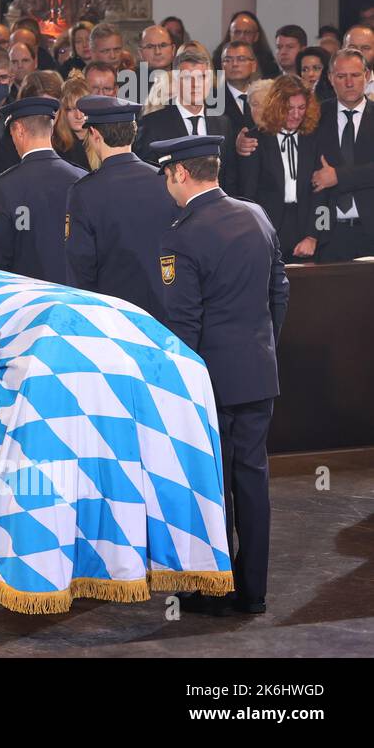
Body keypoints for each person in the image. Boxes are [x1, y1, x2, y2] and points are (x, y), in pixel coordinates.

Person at [154, 133, 288, 616]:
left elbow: (183, 325)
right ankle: (253, 592)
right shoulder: (256, 215)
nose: (166, 184)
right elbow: (280, 291)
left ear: (181, 173)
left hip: (209, 383)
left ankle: (213, 588)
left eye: (167, 174)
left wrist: (178, 390)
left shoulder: (181, 234)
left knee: (211, 486)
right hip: (257, 373)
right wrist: (262, 348)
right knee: (252, 481)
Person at [64, 96, 178, 323]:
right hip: (166, 311)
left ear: (95, 134)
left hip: (113, 318)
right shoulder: (165, 180)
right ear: (132, 132)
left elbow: (80, 266)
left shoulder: (85, 191)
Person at [0, 97, 85, 283]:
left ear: (19, 130)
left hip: (27, 302)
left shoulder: (3, 186)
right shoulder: (82, 179)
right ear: (51, 129)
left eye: (11, 133)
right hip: (79, 298)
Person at [238, 75, 322, 263]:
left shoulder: (314, 138)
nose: (296, 114)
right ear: (276, 106)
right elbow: (247, 196)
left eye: (301, 108)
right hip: (266, 231)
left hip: (306, 231)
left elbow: (322, 195)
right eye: (289, 108)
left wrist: (313, 235)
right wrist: (254, 237)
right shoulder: (255, 140)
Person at [135, 47, 237, 192]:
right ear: (176, 81)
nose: (196, 85)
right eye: (188, 78)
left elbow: (229, 177)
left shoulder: (223, 123)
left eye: (202, 77)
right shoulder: (152, 124)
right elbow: (146, 177)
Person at [312, 48, 374, 261]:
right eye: (341, 76)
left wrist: (339, 176)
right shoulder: (315, 116)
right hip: (328, 232)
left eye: (355, 75)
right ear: (330, 78)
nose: (349, 82)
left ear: (366, 76)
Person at [50, 74, 91, 169]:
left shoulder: (104, 140)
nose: (78, 116)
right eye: (70, 109)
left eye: (82, 108)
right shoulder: (56, 148)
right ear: (62, 111)